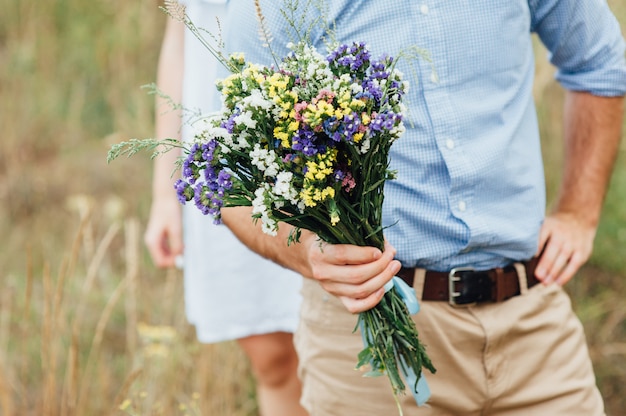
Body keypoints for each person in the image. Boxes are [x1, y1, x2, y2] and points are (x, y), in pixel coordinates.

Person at [215, 1, 626, 415]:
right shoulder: (270, 8)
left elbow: (599, 62)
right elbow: (228, 182)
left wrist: (579, 211)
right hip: (375, 337)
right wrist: (307, 252)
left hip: (534, 324)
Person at [143, 1, 307, 415]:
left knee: (344, 348)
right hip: (223, 158)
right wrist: (166, 195)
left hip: (317, 134)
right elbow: (178, 36)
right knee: (272, 358)